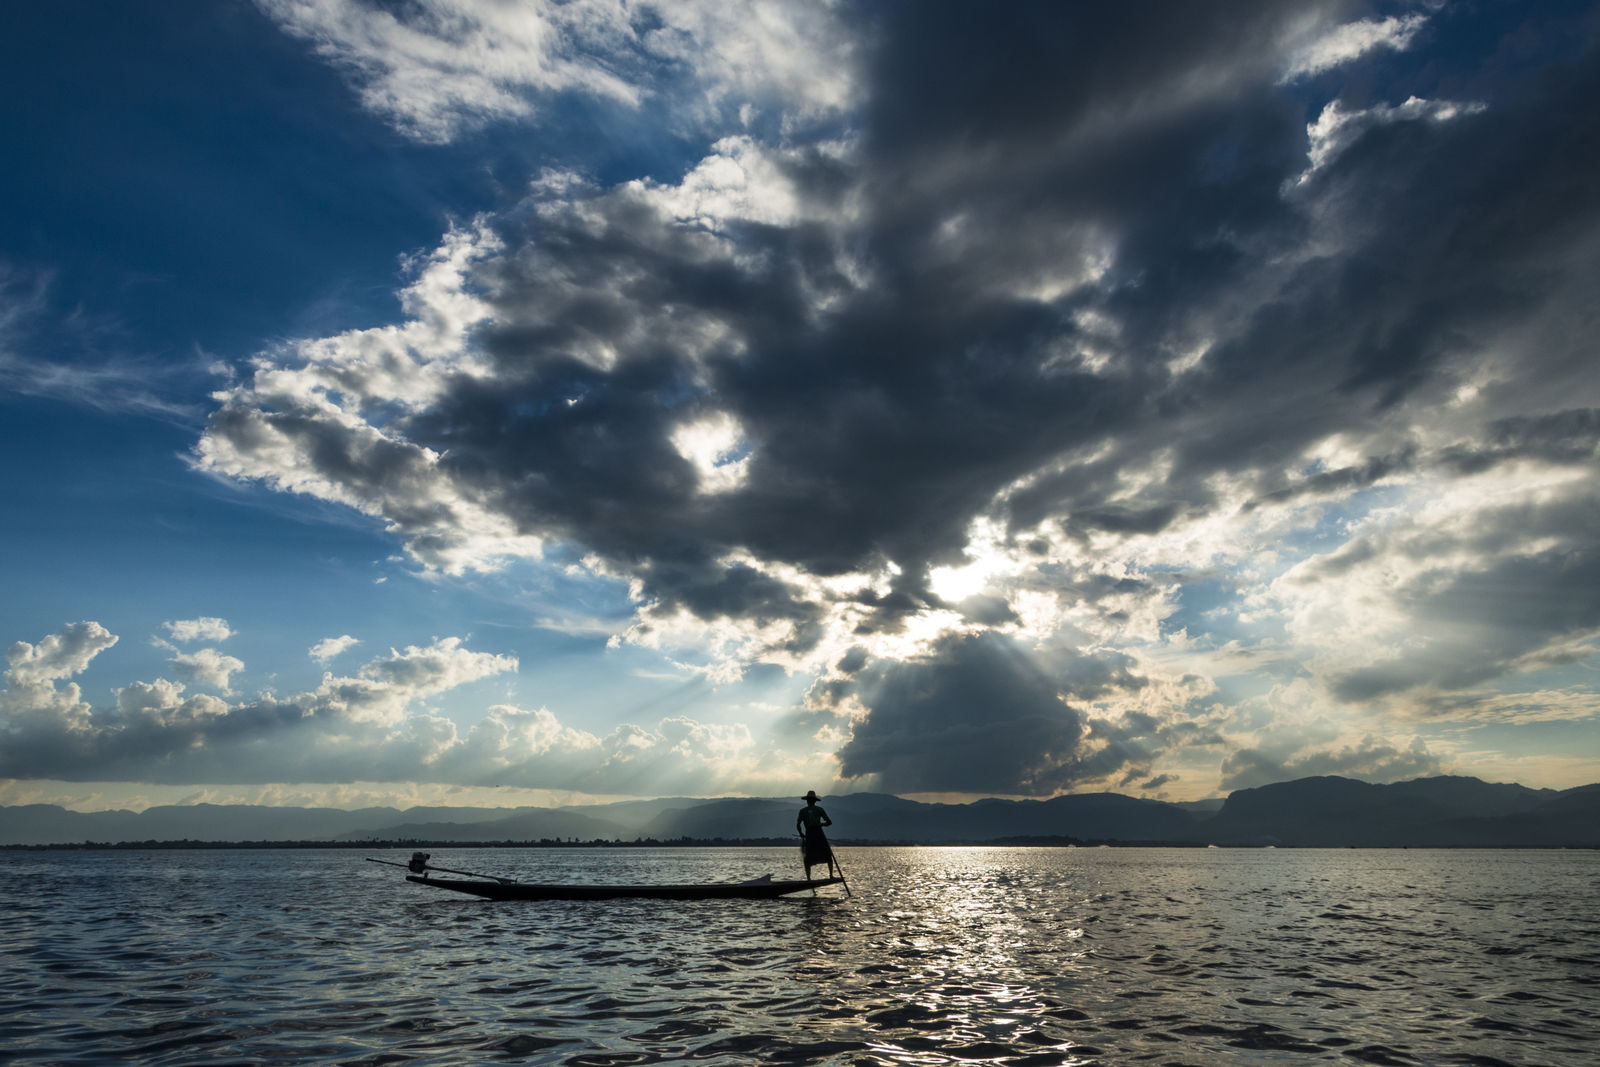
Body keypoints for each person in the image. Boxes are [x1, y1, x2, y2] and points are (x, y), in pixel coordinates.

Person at [797, 790, 835, 880]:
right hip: (818, 833)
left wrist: (801, 834)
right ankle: (831, 875)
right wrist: (822, 824)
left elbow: (798, 824)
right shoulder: (819, 809)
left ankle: (809, 878)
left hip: (810, 834)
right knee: (827, 854)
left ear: (807, 801)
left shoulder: (803, 811)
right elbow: (829, 822)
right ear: (814, 801)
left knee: (808, 856)